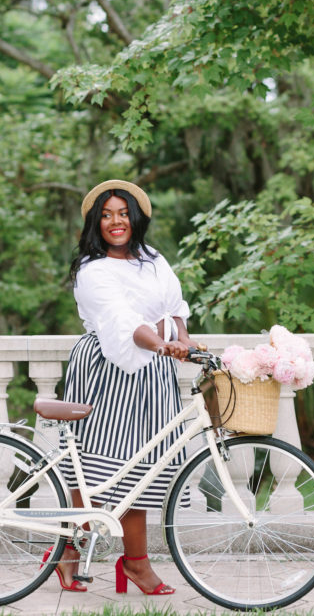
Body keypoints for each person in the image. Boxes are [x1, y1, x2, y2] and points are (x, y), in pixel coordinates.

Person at [55, 178, 200, 596]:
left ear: (135, 218)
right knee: (93, 468)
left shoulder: (154, 260)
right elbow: (120, 321)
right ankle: (69, 553)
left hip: (154, 373)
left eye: (122, 213)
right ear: (95, 224)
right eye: (105, 215)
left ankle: (135, 562)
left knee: (144, 468)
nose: (115, 222)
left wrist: (184, 344)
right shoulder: (92, 270)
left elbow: (175, 310)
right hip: (105, 370)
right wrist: (162, 342)